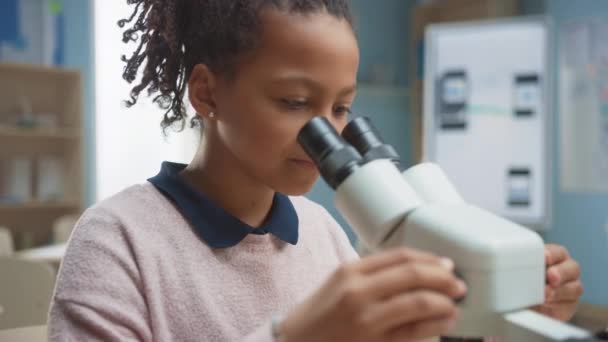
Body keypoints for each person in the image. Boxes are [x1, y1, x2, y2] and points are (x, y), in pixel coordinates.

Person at [48, 1, 583, 341]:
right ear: (207, 91)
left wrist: (504, 318)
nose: (324, 132)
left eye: (342, 108)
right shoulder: (117, 241)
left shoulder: (325, 236)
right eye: (295, 101)